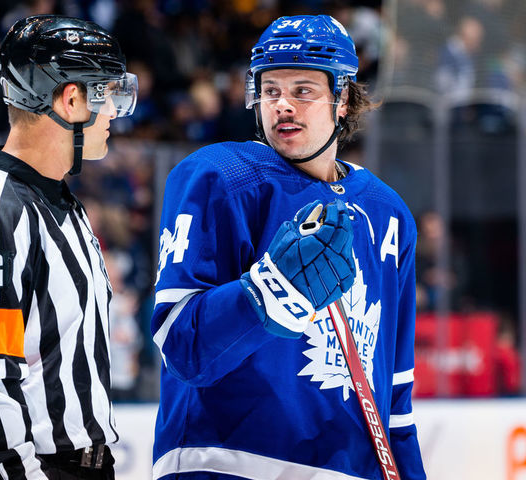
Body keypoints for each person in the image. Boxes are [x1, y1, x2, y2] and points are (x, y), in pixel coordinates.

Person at [151, 15, 426, 480]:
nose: (282, 105)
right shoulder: (220, 177)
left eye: (303, 90)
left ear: (342, 100)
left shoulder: (388, 213)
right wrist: (266, 293)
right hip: (229, 466)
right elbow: (182, 347)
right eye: (271, 89)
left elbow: (394, 396)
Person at [0, 15, 137, 480]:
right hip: (26, 470)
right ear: (71, 98)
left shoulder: (63, 206)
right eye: (107, 95)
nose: (114, 115)